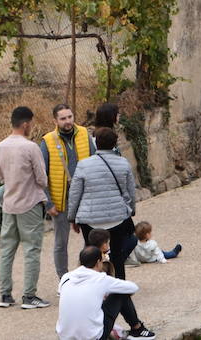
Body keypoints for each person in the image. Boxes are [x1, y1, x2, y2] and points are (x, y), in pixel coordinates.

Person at [0, 104, 49, 309]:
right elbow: (42, 179)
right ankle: (29, 295)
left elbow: (0, 175)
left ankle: (5, 294)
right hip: (30, 203)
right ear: (26, 124)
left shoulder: (0, 146)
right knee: (31, 250)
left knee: (7, 250)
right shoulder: (31, 147)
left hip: (9, 204)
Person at [68, 128, 137, 283]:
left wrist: (72, 217)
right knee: (117, 255)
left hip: (90, 218)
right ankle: (120, 288)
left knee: (91, 254)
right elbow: (131, 191)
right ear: (114, 144)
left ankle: (92, 285)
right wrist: (131, 210)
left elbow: (75, 194)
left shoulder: (83, 165)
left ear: (96, 144)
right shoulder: (123, 163)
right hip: (117, 216)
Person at [41, 103, 96, 279]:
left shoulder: (84, 134)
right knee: (61, 242)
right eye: (63, 118)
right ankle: (63, 278)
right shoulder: (48, 141)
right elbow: (41, 175)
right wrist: (48, 202)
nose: (68, 121)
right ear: (55, 120)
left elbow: (95, 161)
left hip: (85, 197)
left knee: (92, 238)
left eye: (70, 117)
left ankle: (89, 273)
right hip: (61, 199)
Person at [56, 245, 141, 340]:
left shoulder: (66, 277)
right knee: (120, 293)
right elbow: (133, 288)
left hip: (64, 337)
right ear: (98, 262)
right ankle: (137, 329)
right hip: (93, 337)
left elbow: (63, 292)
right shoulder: (101, 279)